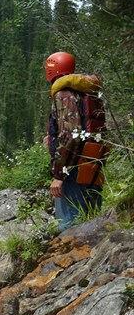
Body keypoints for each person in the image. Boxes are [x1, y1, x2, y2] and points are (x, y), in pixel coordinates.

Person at [45, 51, 105, 232]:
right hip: (93, 165)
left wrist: (58, 175)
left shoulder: (63, 94)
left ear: (52, 69)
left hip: (73, 170)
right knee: (92, 223)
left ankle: (72, 259)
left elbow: (70, 135)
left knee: (69, 226)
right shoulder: (88, 93)